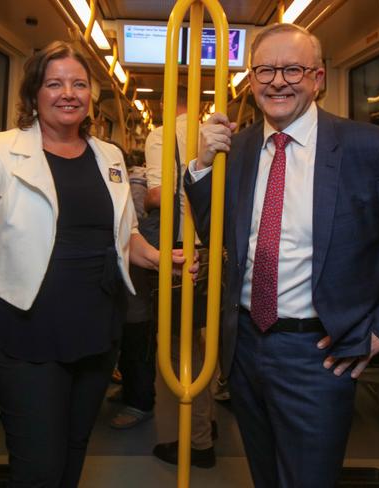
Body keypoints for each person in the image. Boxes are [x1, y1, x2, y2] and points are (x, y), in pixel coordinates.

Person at [185, 23, 379, 488]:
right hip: (246, 345)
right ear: (251, 81)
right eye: (265, 70)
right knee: (265, 474)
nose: (278, 81)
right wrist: (199, 165)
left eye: (292, 69)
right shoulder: (243, 145)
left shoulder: (366, 148)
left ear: (318, 78)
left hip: (318, 352)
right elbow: (222, 231)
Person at [0, 41, 194, 488]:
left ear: (91, 95)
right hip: (25, 335)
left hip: (96, 333)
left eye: (78, 84)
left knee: (72, 459)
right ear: (34, 94)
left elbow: (121, 235)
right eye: (54, 84)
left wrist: (159, 258)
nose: (68, 93)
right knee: (38, 470)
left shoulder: (107, 155)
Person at [145, 85, 217, 468]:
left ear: (162, 102)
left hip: (179, 252)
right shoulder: (214, 134)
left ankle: (196, 442)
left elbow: (160, 194)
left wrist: (142, 196)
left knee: (178, 348)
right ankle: (210, 425)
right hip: (213, 250)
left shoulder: (162, 135)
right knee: (206, 345)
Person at [109, 153, 157, 429]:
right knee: (127, 343)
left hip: (136, 282)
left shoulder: (133, 186)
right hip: (123, 284)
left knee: (138, 343)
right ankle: (130, 391)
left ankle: (141, 402)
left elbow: (131, 230)